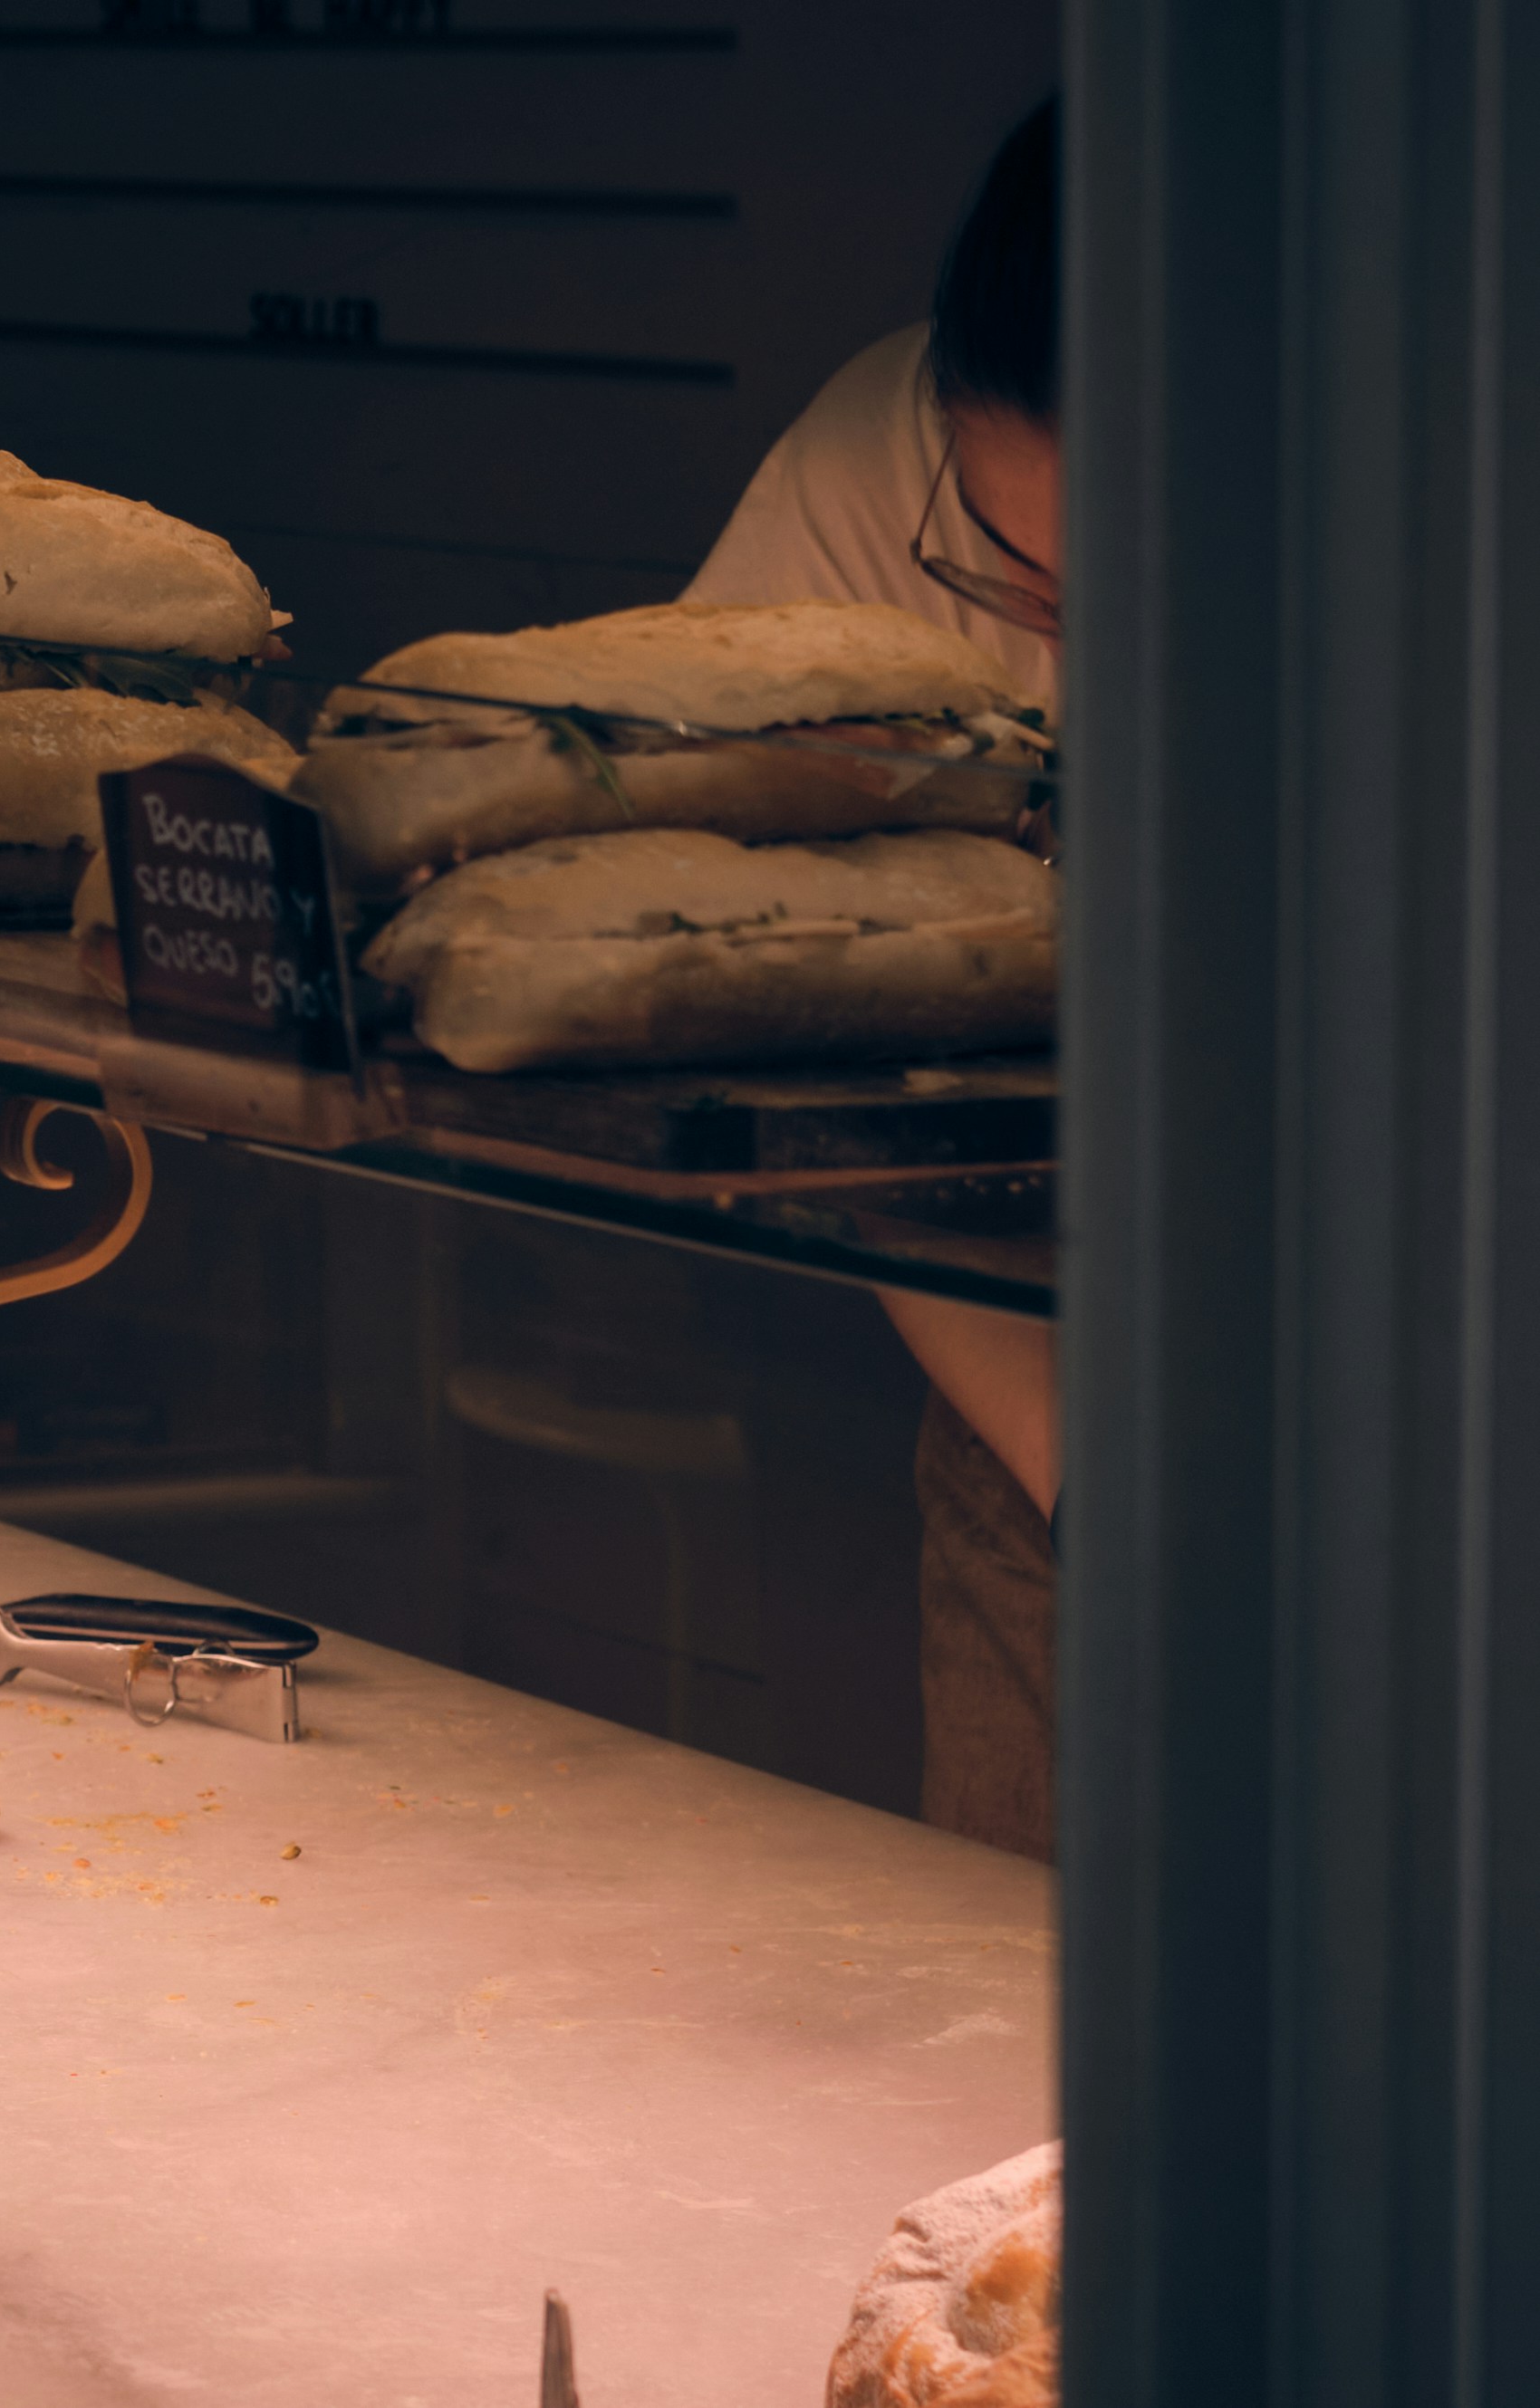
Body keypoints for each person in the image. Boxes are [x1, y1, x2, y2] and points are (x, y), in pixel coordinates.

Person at [685, 99, 1063, 1860]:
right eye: (1020, 582)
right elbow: (781, 990)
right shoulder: (868, 463)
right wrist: (1067, 1454)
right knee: (1005, 2007)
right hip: (1022, 1331)